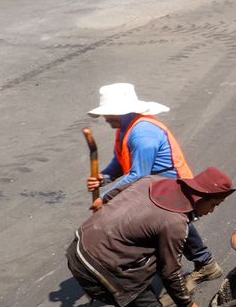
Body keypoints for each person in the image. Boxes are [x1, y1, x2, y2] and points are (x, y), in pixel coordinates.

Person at [66, 168, 236, 307]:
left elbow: (108, 197)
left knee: (148, 297)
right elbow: (171, 271)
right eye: (213, 205)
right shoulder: (175, 222)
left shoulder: (155, 181)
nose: (212, 211)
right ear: (200, 197)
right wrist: (186, 304)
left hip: (84, 243)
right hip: (95, 265)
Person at [85, 83, 222, 288]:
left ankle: (203, 265)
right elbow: (121, 161)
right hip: (151, 187)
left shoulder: (143, 134)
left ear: (121, 111)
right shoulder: (125, 129)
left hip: (172, 188)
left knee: (170, 225)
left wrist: (104, 198)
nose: (105, 119)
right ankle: (200, 263)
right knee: (163, 228)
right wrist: (104, 177)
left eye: (108, 114)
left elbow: (138, 174)